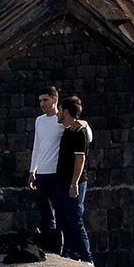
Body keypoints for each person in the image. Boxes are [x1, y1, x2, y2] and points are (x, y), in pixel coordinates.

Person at [27, 86, 91, 253]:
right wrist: (32, 170)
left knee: (62, 214)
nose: (42, 103)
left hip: (56, 172)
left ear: (54, 100)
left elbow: (87, 136)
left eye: (45, 100)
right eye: (40, 100)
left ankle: (64, 248)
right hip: (41, 172)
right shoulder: (39, 121)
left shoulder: (61, 120)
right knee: (45, 213)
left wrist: (84, 123)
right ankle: (49, 247)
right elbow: (37, 145)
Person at [54, 95, 93, 265]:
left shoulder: (79, 132)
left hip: (73, 183)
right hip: (62, 182)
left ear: (67, 112)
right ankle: (70, 252)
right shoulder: (69, 130)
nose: (57, 114)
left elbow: (80, 159)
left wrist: (74, 183)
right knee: (63, 219)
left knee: (75, 219)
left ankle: (86, 257)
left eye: (60, 110)